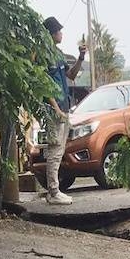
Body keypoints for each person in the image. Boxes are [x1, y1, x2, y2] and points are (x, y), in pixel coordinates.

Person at [41, 16, 85, 205]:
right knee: (55, 150)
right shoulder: (42, 55)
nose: (61, 34)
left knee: (59, 149)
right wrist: (56, 108)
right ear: (51, 33)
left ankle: (54, 190)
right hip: (54, 109)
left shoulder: (58, 54)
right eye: (58, 31)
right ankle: (53, 191)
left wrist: (81, 57)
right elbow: (43, 83)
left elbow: (71, 75)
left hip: (64, 107)